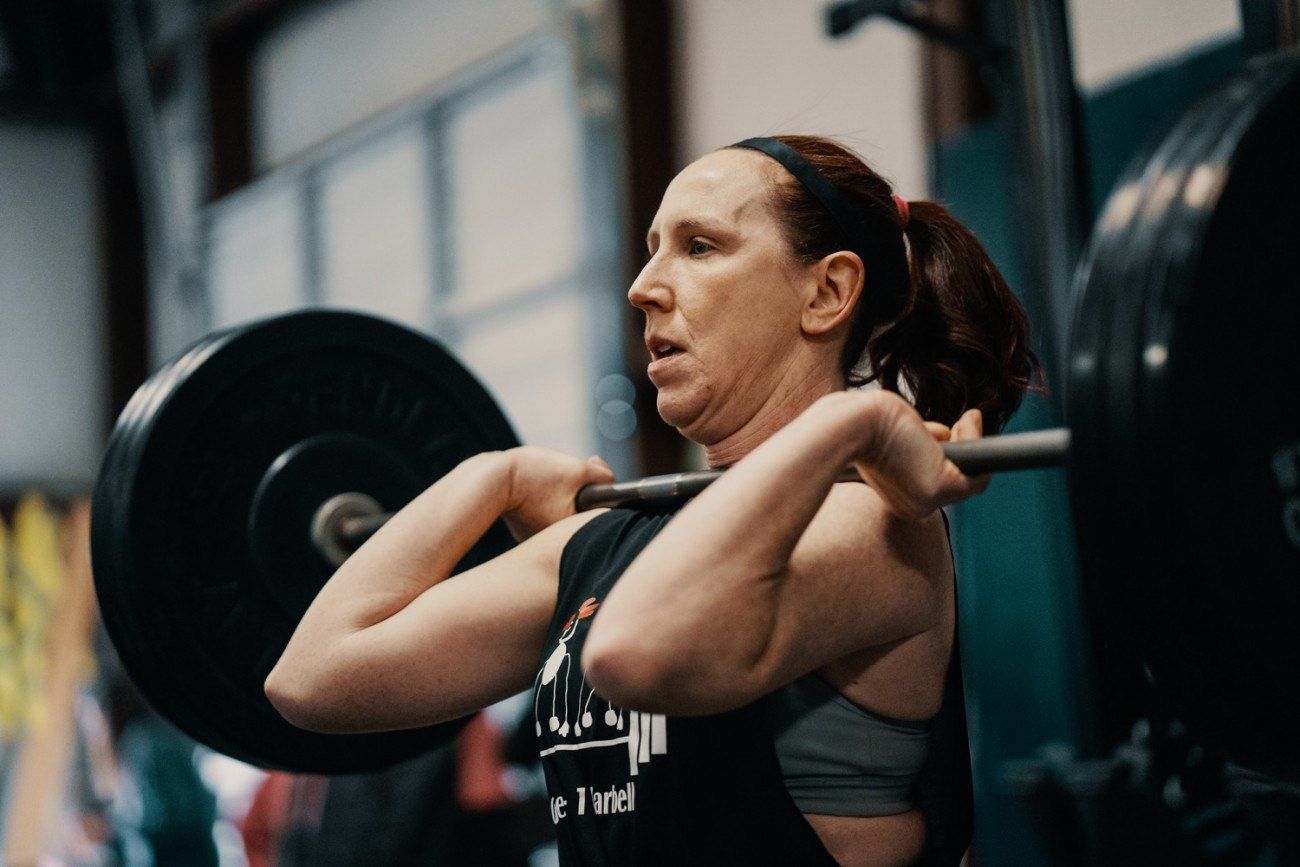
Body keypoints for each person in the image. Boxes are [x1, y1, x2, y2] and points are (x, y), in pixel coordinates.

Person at [265, 135, 1039, 866]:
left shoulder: (868, 520)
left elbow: (637, 652)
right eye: (651, 249)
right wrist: (490, 476)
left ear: (828, 291)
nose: (643, 287)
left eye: (700, 246)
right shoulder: (609, 540)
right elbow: (312, 678)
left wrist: (850, 423)